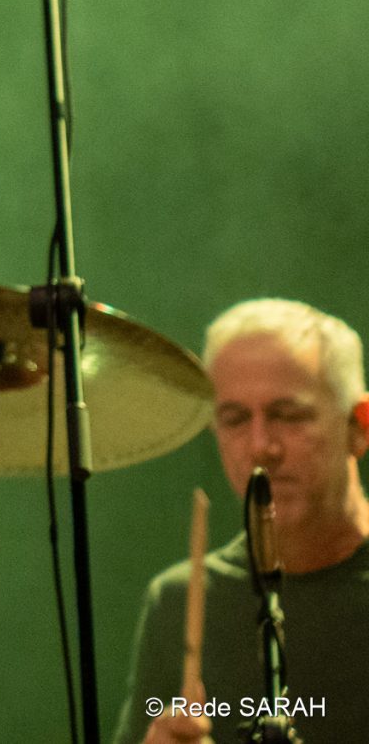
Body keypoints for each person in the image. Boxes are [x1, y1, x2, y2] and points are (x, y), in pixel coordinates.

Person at [118, 298, 369, 744]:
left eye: (288, 415)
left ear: (360, 426)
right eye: (234, 419)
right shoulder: (182, 601)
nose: (260, 447)